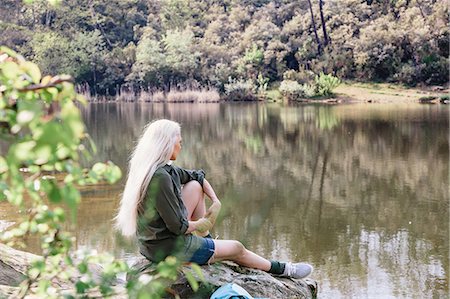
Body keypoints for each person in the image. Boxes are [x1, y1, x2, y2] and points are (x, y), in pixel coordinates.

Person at [115, 119, 313, 279]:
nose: (181, 144)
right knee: (237, 248)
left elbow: (197, 177)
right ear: (167, 143)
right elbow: (178, 227)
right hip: (168, 249)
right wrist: (202, 223)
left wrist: (216, 201)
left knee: (194, 186)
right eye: (179, 141)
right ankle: (282, 269)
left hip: (154, 244)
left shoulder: (164, 170)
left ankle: (207, 243)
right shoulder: (160, 178)